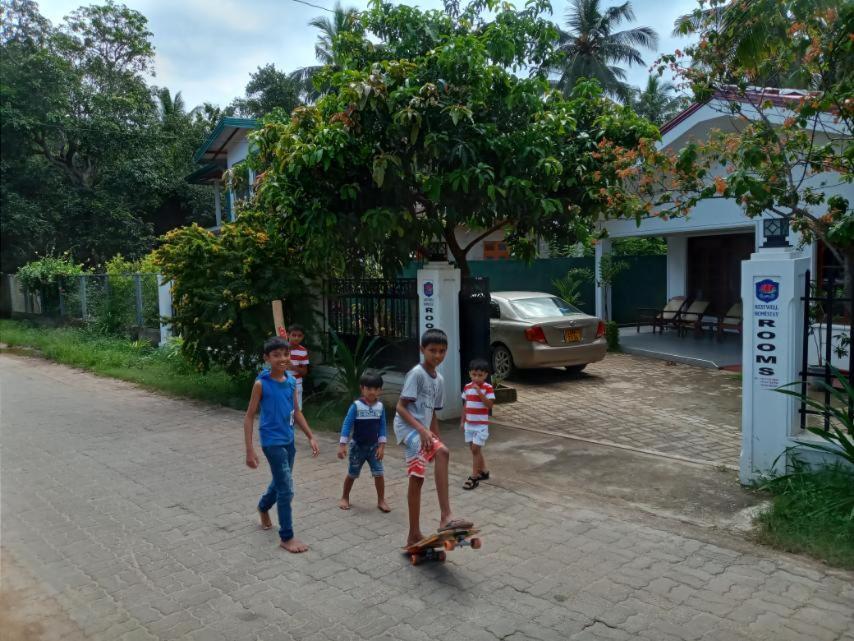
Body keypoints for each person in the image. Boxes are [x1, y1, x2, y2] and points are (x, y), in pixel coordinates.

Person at [394, 328, 472, 546]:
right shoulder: (416, 374)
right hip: (408, 429)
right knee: (420, 475)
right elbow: (401, 407)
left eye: (442, 351)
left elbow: (433, 413)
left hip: (423, 431)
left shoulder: (439, 380)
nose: (437, 355)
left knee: (440, 456)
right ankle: (429, 525)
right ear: (422, 350)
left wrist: (436, 437)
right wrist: (421, 430)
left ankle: (431, 524)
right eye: (432, 350)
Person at [244, 336, 319, 553]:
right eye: (276, 355)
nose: (282, 359)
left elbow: (296, 411)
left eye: (285, 354)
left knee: (280, 482)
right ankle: (286, 537)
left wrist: (310, 435)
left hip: (288, 440)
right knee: (286, 489)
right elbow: (249, 416)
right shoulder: (261, 384)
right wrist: (250, 450)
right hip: (271, 442)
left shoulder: (290, 381)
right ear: (267, 358)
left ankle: (263, 506)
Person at [336, 373, 391, 513]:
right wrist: (342, 445)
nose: (372, 392)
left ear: (380, 390)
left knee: (379, 473)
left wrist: (382, 446)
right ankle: (344, 497)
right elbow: (347, 425)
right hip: (357, 447)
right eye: (369, 388)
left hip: (374, 447)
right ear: (362, 389)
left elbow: (383, 427)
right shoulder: (356, 406)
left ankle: (381, 500)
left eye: (376, 389)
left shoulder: (380, 407)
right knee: (352, 473)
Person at [460, 358, 495, 490]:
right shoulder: (467, 387)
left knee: (475, 449)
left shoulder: (488, 388)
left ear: (486, 375)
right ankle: (484, 471)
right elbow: (465, 405)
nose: (477, 378)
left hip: (481, 425)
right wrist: (462, 420)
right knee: (475, 450)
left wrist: (480, 392)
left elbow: (489, 405)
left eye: (480, 375)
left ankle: (474, 477)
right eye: (474, 375)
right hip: (469, 424)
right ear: (470, 374)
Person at [286, 324, 309, 410]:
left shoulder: (303, 351)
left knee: (297, 410)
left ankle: (295, 423)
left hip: (296, 384)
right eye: (294, 335)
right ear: (288, 335)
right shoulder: (281, 348)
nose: (296, 338)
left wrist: (293, 367)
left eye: (299, 336)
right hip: (281, 383)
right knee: (282, 409)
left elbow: (304, 371)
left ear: (303, 337)